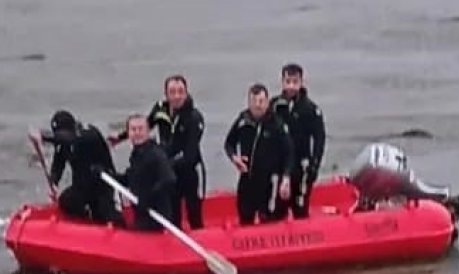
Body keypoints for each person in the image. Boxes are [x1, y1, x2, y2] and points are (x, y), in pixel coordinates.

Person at [112, 75, 207, 230]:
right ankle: (172, 241)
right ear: (166, 94)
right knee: (173, 211)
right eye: (172, 92)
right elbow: (145, 126)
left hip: (186, 168)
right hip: (166, 167)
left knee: (193, 211)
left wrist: (162, 164)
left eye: (180, 92)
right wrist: (121, 137)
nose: (176, 96)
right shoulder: (160, 108)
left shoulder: (194, 118)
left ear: (186, 93)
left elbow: (190, 153)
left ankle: (201, 237)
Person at [31, 110, 123, 227]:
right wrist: (54, 182)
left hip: (103, 185)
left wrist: (44, 137)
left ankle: (124, 232)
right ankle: (85, 223)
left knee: (106, 212)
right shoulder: (63, 143)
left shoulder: (88, 134)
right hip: (82, 185)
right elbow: (58, 163)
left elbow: (70, 138)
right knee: (66, 201)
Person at [223, 84, 294, 225]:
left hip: (269, 181)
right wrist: (234, 158)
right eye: (254, 102)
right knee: (245, 216)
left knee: (269, 218)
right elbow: (229, 143)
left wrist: (286, 178)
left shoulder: (276, 124)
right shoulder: (243, 120)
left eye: (261, 101)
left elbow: (289, 152)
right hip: (247, 178)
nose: (257, 106)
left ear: (267, 102)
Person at [270, 63, 326, 220]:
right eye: (288, 82)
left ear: (301, 82)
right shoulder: (274, 107)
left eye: (295, 82)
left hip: (302, 167)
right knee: (277, 210)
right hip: (280, 167)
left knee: (300, 208)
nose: (291, 86)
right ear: (282, 82)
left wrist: (314, 166)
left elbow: (319, 139)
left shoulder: (311, 110)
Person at [115, 114, 177, 232]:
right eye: (133, 129)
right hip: (142, 211)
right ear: (128, 133)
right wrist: (109, 174)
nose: (137, 133)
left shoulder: (156, 154)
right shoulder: (137, 154)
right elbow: (131, 178)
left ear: (148, 131)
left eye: (141, 129)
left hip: (156, 215)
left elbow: (169, 180)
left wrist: (149, 198)